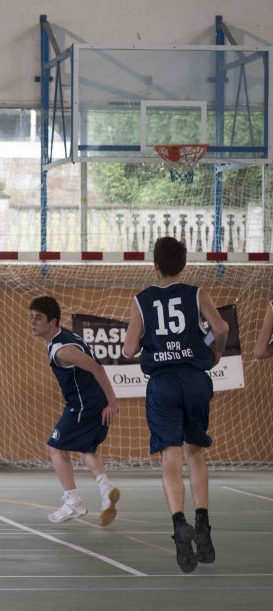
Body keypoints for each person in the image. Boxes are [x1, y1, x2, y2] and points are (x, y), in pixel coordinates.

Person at [122, 237, 228, 573]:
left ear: (155, 265)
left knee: (170, 456)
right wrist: (216, 351)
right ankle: (203, 522)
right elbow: (221, 327)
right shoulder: (198, 294)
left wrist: (149, 342)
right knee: (194, 451)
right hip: (195, 379)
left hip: (163, 383)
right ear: (184, 264)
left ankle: (179, 522)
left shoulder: (142, 300)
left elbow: (128, 349)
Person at [28, 296, 122, 525]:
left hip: (84, 404)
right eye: (31, 317)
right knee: (86, 447)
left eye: (38, 318)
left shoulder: (62, 350)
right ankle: (105, 490)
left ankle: (73, 502)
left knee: (54, 447)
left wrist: (112, 402)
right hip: (93, 401)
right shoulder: (65, 335)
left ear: (52, 322)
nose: (33, 322)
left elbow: (98, 369)